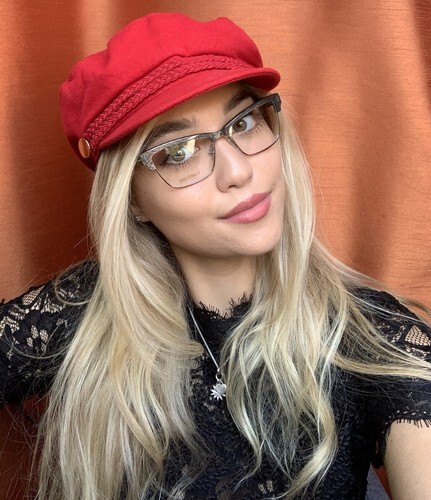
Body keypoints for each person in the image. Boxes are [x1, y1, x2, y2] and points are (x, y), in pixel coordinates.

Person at [1, 12, 430, 500]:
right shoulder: (81, 315)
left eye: (243, 122)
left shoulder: (370, 338)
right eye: (179, 152)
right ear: (133, 201)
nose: (238, 171)